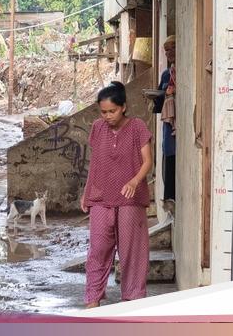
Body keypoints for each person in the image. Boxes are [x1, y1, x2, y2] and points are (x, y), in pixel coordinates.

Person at [80, 81, 153, 308]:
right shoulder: (98, 128)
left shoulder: (137, 127)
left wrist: (134, 180)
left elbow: (148, 161)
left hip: (130, 197)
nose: (107, 116)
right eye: (103, 112)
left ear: (123, 107)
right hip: (101, 196)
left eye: (112, 111)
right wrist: (87, 192)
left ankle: (132, 301)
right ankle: (93, 299)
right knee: (98, 249)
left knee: (132, 252)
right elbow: (95, 163)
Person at [152, 35, 176, 214]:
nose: (169, 53)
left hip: (177, 124)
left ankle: (172, 197)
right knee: (168, 155)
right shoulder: (167, 74)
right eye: (166, 50)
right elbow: (159, 99)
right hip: (169, 124)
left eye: (172, 48)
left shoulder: (181, 72)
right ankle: (169, 198)